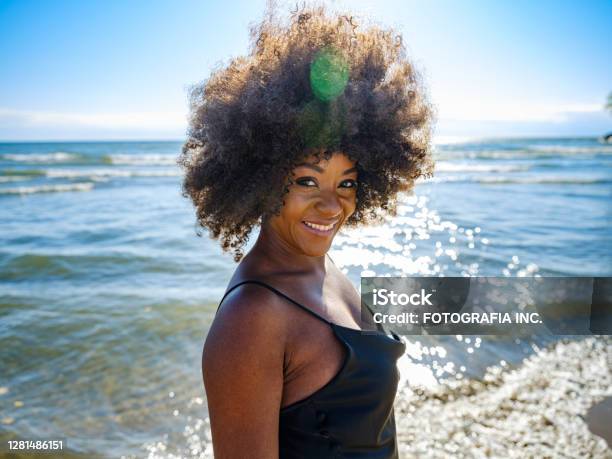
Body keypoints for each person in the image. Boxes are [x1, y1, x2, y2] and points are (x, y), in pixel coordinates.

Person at [178, 4, 433, 458]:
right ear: (261, 174)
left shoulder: (320, 265)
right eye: (307, 181)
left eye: (347, 182)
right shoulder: (251, 320)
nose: (332, 205)